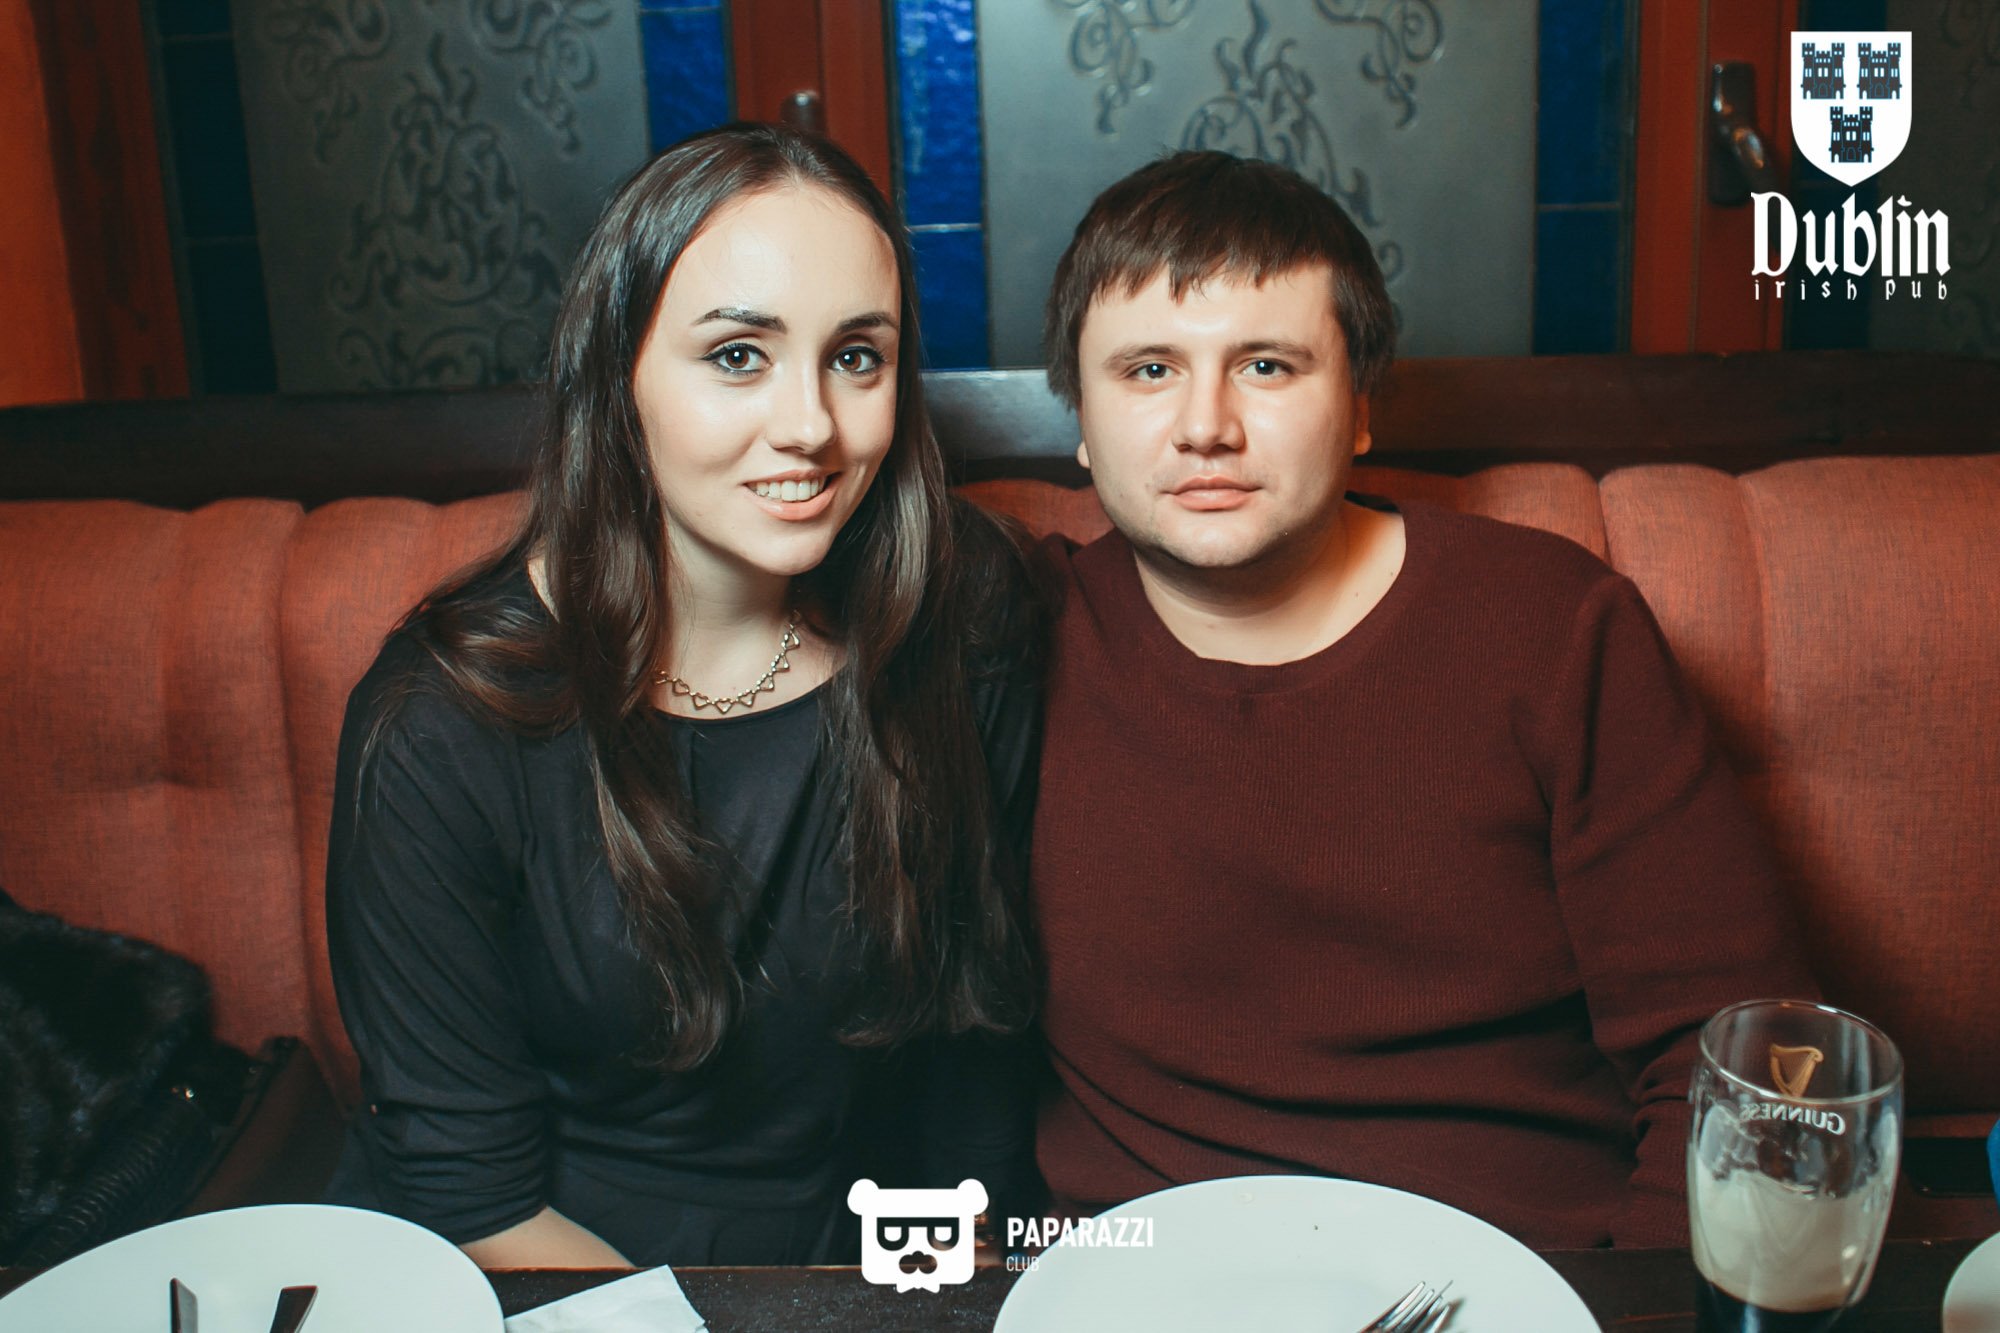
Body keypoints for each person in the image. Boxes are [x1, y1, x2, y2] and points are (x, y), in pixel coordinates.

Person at [1029, 151, 1817, 1247]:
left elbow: (1737, 1054)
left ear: (1358, 408)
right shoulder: (1008, 634)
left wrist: (1637, 1307)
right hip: (1136, 1281)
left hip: (1512, 1269)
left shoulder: (1553, 628)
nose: (1205, 424)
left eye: (1266, 365)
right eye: (1148, 369)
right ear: (1080, 415)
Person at [324, 124, 1041, 1269]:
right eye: (738, 356)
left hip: (863, 1262)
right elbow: (471, 1192)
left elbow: (976, 1053)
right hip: (563, 1273)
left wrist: (958, 1283)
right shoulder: (441, 721)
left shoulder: (961, 618)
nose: (810, 426)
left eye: (856, 357)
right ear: (617, 376)